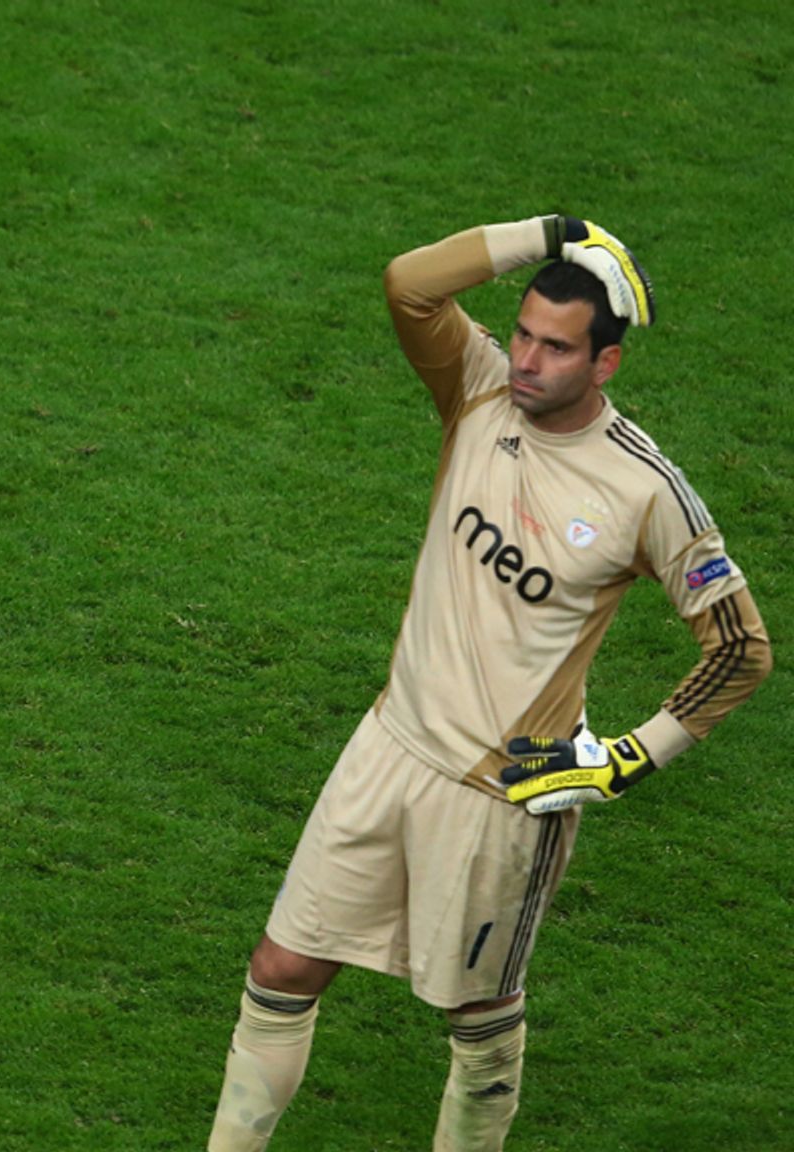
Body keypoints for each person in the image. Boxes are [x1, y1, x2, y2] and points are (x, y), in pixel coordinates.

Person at [206, 217, 772, 1152]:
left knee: (477, 1024)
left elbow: (739, 648)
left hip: (498, 797)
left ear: (607, 365)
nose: (527, 360)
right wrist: (557, 232)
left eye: (556, 347)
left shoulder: (646, 493)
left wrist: (625, 759)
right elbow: (408, 283)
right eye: (522, 333)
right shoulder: (477, 389)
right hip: (388, 743)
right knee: (281, 967)